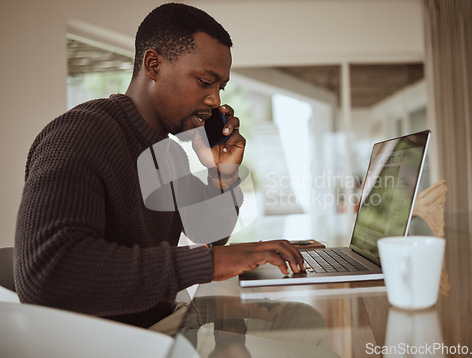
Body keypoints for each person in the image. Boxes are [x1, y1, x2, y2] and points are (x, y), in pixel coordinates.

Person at [14, 2, 304, 330]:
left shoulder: (167, 154)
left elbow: (210, 233)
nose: (214, 100)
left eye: (219, 87)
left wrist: (222, 175)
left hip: (162, 325)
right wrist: (208, 263)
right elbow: (48, 273)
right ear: (154, 65)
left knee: (302, 317)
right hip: (115, 343)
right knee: (308, 330)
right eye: (204, 81)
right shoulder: (79, 134)